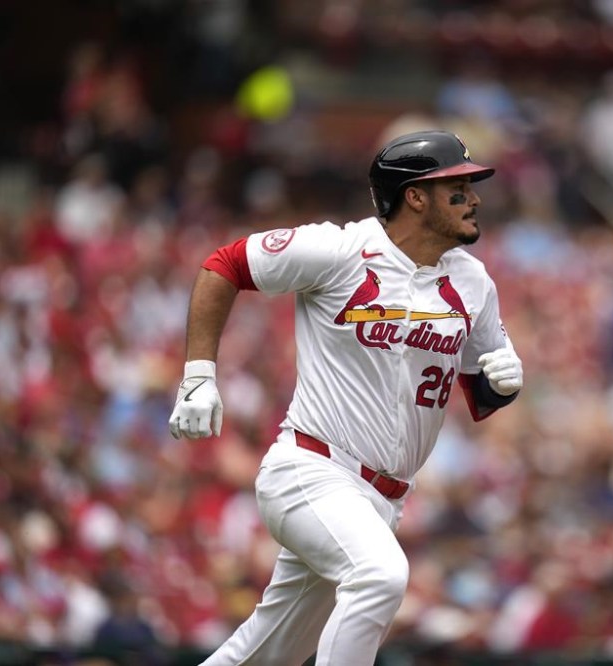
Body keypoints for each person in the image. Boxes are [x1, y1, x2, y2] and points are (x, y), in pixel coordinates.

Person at [167, 130, 524, 665]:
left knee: (266, 654)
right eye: (459, 187)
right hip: (311, 469)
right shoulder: (340, 251)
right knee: (379, 575)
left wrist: (503, 382)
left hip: (383, 499)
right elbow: (225, 266)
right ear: (416, 196)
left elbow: (480, 396)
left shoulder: (474, 283)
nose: (474, 198)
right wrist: (198, 374)